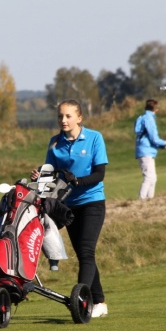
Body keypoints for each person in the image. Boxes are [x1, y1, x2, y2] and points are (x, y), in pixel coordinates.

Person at [31, 99, 109, 317]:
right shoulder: (55, 143)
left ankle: (83, 302)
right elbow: (49, 172)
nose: (63, 120)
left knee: (86, 251)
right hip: (67, 206)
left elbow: (99, 173)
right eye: (60, 116)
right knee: (84, 254)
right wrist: (40, 176)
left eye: (68, 116)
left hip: (92, 202)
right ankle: (100, 303)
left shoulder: (94, 138)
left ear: (79, 118)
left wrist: (78, 181)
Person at [134, 99, 166, 200]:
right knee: (148, 177)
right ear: (156, 109)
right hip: (146, 151)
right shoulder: (149, 119)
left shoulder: (145, 117)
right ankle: (141, 200)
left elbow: (150, 139)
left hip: (147, 150)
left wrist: (164, 145)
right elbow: (154, 138)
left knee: (153, 178)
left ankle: (149, 200)